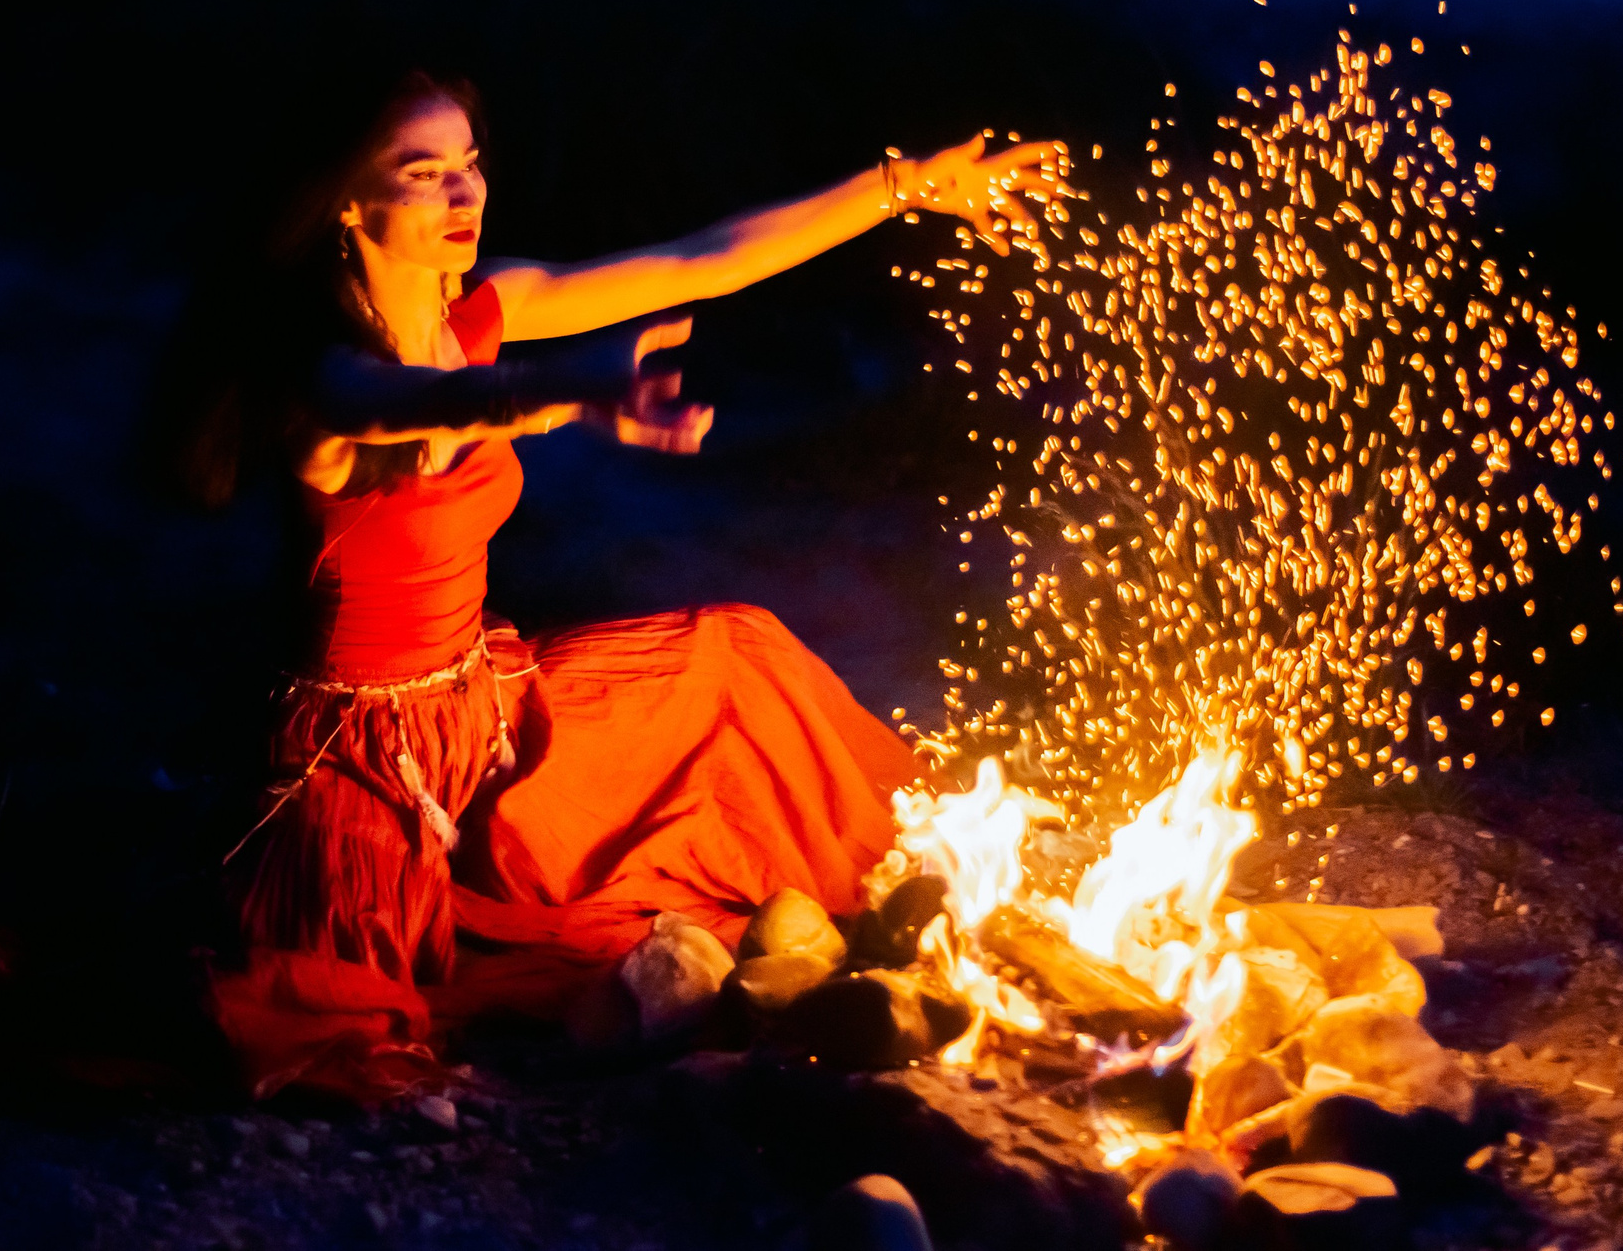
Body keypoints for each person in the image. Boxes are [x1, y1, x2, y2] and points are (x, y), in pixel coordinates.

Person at [164, 68, 1059, 1100]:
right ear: (347, 202)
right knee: (369, 1004)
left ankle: (928, 876)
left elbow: (700, 262)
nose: (465, 195)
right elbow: (408, 403)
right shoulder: (320, 370)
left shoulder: (488, 305)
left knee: (732, 654)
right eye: (425, 174)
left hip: (483, 704)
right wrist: (556, 390)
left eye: (471, 165)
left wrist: (903, 186)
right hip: (357, 761)